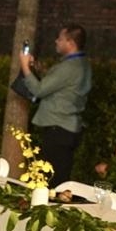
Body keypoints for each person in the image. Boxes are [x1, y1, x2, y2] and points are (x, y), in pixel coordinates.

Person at [20, 25, 92, 187]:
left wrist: (25, 66)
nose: (56, 41)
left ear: (70, 42)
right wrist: (38, 69)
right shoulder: (81, 63)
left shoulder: (69, 67)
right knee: (59, 175)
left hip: (58, 129)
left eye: (60, 38)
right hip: (68, 128)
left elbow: (39, 90)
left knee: (49, 180)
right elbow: (60, 85)